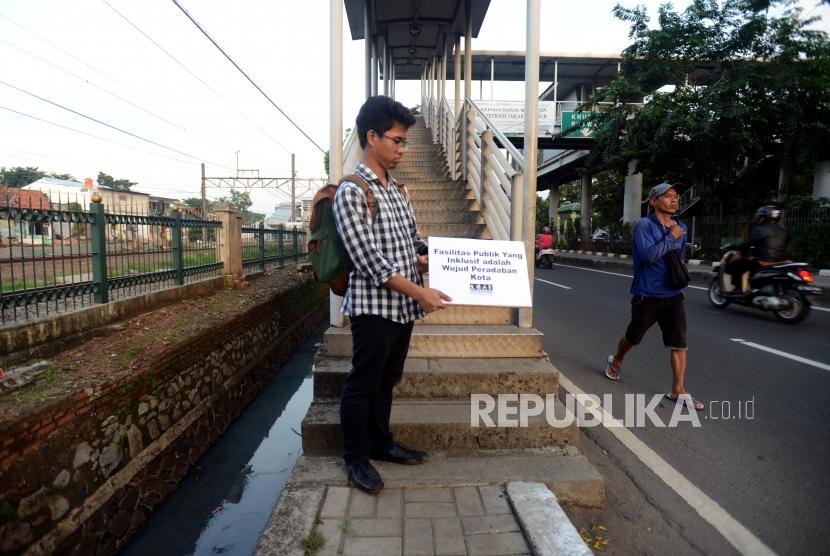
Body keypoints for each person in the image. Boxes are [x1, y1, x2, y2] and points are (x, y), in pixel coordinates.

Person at [333, 95, 452, 495]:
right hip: (373, 308)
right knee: (363, 383)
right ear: (372, 136)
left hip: (400, 308)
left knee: (388, 378)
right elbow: (369, 261)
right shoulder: (352, 191)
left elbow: (408, 244)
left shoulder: (398, 189)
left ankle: (381, 442)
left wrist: (441, 258)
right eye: (397, 141)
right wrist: (421, 292)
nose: (403, 149)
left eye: (404, 142)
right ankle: (356, 458)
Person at [603, 183, 704, 411]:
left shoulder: (681, 226)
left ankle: (678, 389)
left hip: (673, 294)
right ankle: (617, 358)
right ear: (653, 201)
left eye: (676, 196)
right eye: (667, 196)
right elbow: (649, 256)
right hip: (646, 294)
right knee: (634, 336)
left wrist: (679, 274)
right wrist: (672, 237)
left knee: (680, 343)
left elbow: (679, 258)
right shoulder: (644, 226)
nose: (674, 200)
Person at [724, 206, 789, 293]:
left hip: (764, 261)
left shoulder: (760, 230)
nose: (759, 219)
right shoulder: (784, 230)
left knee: (737, 264)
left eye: (760, 217)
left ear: (764, 218)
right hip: (782, 261)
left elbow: (746, 244)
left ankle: (738, 288)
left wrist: (732, 246)